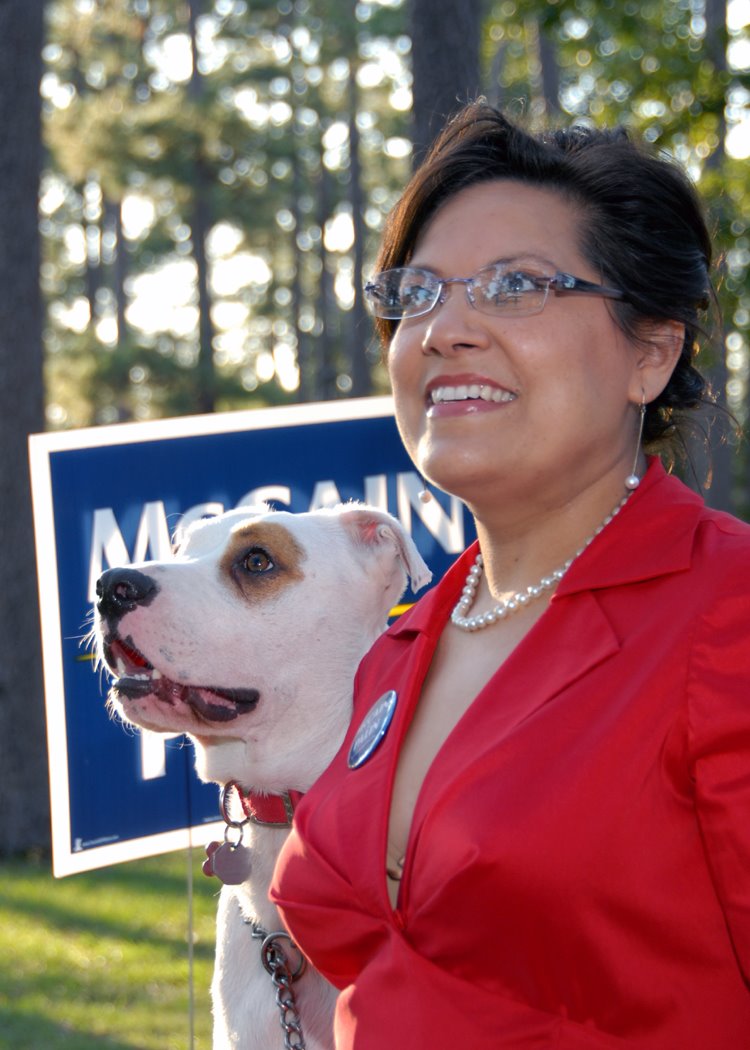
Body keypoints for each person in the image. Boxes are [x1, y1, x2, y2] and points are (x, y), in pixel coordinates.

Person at [270, 101, 750, 1048]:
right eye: (417, 293)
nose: (444, 329)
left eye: (517, 285)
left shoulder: (726, 615)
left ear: (650, 355)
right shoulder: (403, 647)